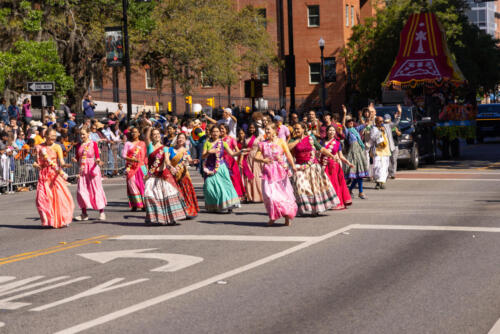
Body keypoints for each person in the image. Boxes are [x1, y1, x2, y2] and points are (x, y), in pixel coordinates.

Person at [288, 122, 339, 216]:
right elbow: (287, 148)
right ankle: (305, 207)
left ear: (304, 129)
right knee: (301, 187)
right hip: (300, 167)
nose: (296, 130)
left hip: (312, 166)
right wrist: (297, 141)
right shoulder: (292, 140)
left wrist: (332, 155)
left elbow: (321, 149)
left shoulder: (311, 138)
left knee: (314, 188)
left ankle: (315, 209)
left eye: (298, 128)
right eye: (295, 129)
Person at [143, 127, 187, 225]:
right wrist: (150, 126)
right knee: (149, 196)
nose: (157, 136)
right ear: (151, 136)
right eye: (154, 134)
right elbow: (146, 138)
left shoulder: (165, 148)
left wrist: (170, 167)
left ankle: (170, 218)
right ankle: (157, 218)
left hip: (162, 176)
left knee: (165, 197)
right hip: (152, 176)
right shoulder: (150, 146)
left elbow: (167, 160)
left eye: (158, 134)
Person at [255, 123, 297, 226]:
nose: (267, 131)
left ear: (275, 131)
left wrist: (293, 166)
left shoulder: (281, 142)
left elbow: (288, 155)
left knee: (283, 195)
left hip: (280, 171)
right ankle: (273, 216)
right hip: (268, 172)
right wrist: (263, 159)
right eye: (266, 130)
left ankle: (287, 217)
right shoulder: (262, 144)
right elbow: (255, 157)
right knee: (268, 195)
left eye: (269, 129)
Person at [33, 129, 74, 228]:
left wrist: (65, 165)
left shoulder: (57, 147)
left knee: (59, 198)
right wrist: (35, 165)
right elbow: (35, 162)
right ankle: (48, 219)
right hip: (44, 175)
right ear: (45, 136)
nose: (54, 138)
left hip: (54, 174)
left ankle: (62, 219)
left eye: (55, 136)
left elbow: (61, 162)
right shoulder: (39, 147)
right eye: (52, 136)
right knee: (41, 198)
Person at [202, 125, 247, 213]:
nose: (215, 133)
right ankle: (215, 205)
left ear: (220, 133)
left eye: (217, 131)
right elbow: (203, 156)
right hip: (210, 167)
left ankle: (228, 205)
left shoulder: (223, 143)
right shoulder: (207, 143)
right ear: (210, 133)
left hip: (221, 167)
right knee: (209, 186)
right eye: (213, 131)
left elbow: (232, 154)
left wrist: (241, 152)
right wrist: (208, 152)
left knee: (225, 186)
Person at [73, 128, 107, 221]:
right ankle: (84, 213)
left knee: (95, 189)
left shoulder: (93, 144)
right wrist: (74, 159)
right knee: (81, 190)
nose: (82, 136)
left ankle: (101, 212)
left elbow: (97, 156)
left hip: (92, 169)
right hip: (82, 170)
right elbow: (77, 157)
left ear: (88, 134)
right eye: (81, 134)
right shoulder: (79, 145)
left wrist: (98, 161)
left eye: (84, 134)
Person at [321, 125, 354, 209]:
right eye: (330, 130)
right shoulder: (321, 142)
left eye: (333, 130)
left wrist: (348, 163)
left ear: (335, 132)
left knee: (334, 184)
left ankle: (336, 203)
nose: (331, 132)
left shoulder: (337, 143)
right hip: (323, 165)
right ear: (327, 131)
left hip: (333, 166)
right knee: (324, 184)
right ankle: (326, 202)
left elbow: (341, 156)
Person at [169, 132, 199, 218]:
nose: (181, 139)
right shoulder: (170, 149)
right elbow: (167, 160)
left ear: (185, 140)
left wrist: (192, 161)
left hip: (183, 174)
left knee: (185, 192)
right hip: (173, 173)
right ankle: (176, 211)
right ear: (176, 139)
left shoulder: (185, 150)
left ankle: (187, 210)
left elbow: (189, 160)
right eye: (179, 137)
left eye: (183, 138)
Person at [344, 117, 370, 199]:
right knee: (357, 174)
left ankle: (354, 190)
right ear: (346, 123)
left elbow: (365, 124)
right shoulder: (347, 131)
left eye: (352, 121)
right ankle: (360, 192)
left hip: (359, 151)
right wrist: (344, 114)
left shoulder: (356, 129)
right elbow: (342, 125)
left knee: (359, 174)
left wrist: (369, 116)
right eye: (349, 121)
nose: (351, 122)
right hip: (353, 153)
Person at [122, 127, 147, 211]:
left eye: (135, 132)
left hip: (141, 166)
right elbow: (124, 156)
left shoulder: (142, 143)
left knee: (142, 185)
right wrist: (133, 160)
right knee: (131, 184)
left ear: (139, 133)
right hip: (131, 167)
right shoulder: (128, 144)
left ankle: (144, 204)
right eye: (132, 132)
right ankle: (135, 204)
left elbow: (144, 156)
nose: (133, 134)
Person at [219, 124, 246, 201]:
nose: (221, 130)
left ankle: (236, 195)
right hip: (220, 162)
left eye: (223, 129)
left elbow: (237, 150)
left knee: (234, 179)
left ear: (227, 130)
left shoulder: (231, 139)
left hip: (230, 161)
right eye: (220, 129)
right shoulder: (217, 140)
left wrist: (240, 159)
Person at [239, 123, 263, 203]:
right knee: (248, 177)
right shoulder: (246, 137)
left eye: (253, 128)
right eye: (250, 128)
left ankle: (259, 196)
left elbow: (264, 147)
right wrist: (241, 159)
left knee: (257, 176)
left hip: (257, 158)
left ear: (256, 128)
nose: (251, 129)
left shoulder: (259, 137)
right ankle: (250, 196)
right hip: (247, 158)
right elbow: (243, 148)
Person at [370, 116, 392, 189]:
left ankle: (382, 182)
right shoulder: (373, 129)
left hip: (385, 150)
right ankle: (377, 182)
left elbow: (394, 125)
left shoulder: (385, 127)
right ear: (376, 122)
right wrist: (379, 131)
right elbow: (373, 138)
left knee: (384, 167)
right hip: (377, 150)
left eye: (382, 121)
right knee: (377, 167)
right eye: (380, 121)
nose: (381, 123)